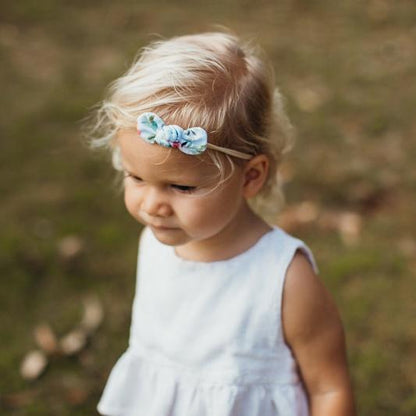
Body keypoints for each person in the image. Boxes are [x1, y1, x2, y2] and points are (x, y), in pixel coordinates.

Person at [87, 31, 355, 416]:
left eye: (180, 186)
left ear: (251, 177)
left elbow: (329, 387)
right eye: (136, 177)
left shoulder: (284, 280)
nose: (151, 205)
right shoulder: (156, 243)